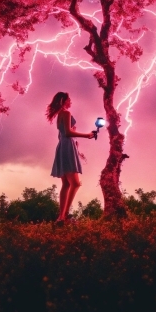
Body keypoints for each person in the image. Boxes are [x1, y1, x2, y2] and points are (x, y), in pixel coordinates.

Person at [47, 91, 96, 223]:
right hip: (67, 146)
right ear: (64, 101)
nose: (71, 102)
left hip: (62, 146)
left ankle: (61, 217)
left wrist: (75, 142)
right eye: (69, 99)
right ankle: (64, 216)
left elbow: (65, 133)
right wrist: (87, 135)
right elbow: (68, 132)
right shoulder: (66, 113)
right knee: (75, 183)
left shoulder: (59, 115)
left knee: (66, 184)